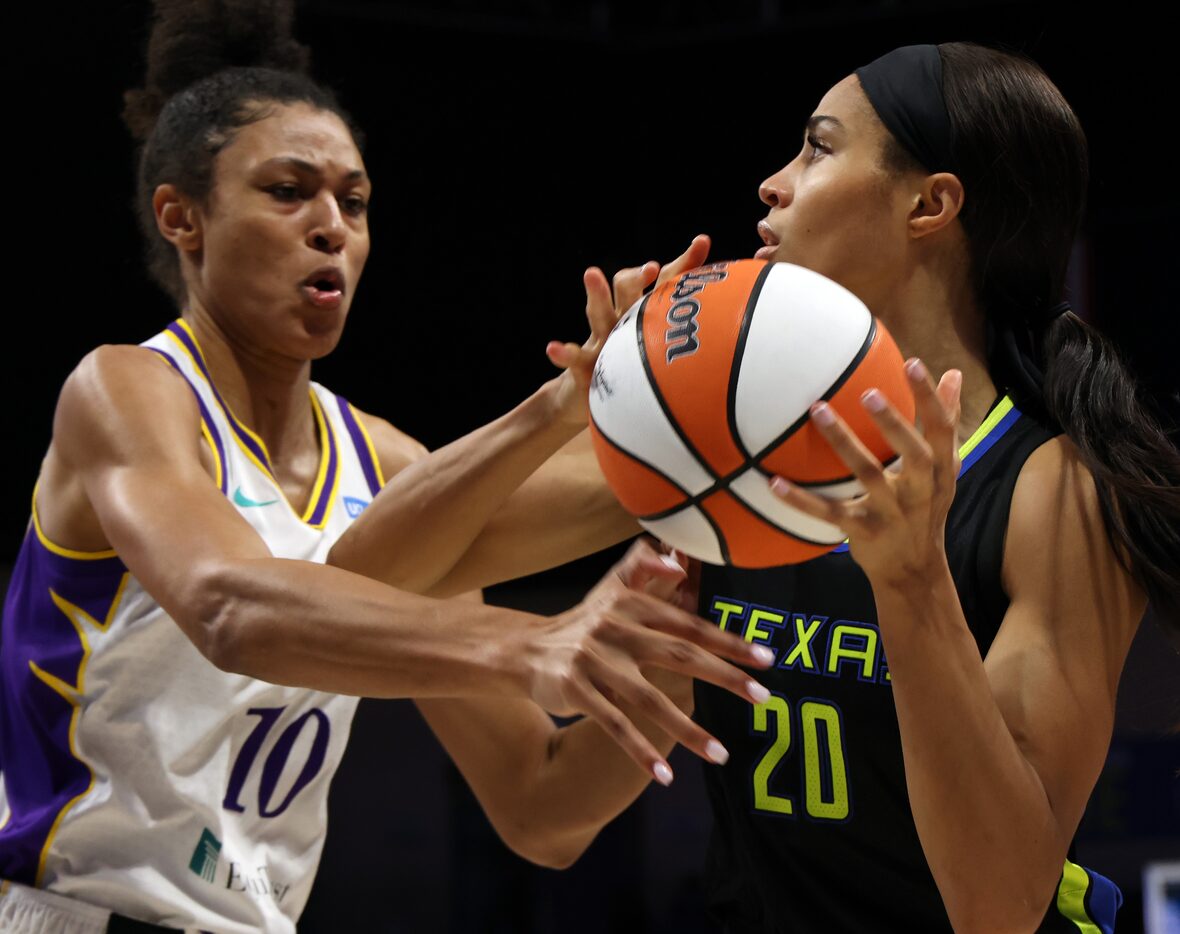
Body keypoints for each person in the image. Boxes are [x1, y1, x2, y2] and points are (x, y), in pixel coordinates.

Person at [341, 42, 1180, 932]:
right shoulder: (721, 435)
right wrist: (565, 404)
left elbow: (998, 906)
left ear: (929, 203)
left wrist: (914, 587)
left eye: (817, 149)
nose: (773, 184)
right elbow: (365, 577)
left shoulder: (1052, 490)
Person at [0, 4, 776, 931]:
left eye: (354, 201)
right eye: (289, 192)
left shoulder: (387, 465)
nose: (331, 226)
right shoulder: (126, 391)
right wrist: (533, 644)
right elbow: (229, 605)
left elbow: (540, 803)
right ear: (182, 216)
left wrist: (670, 662)